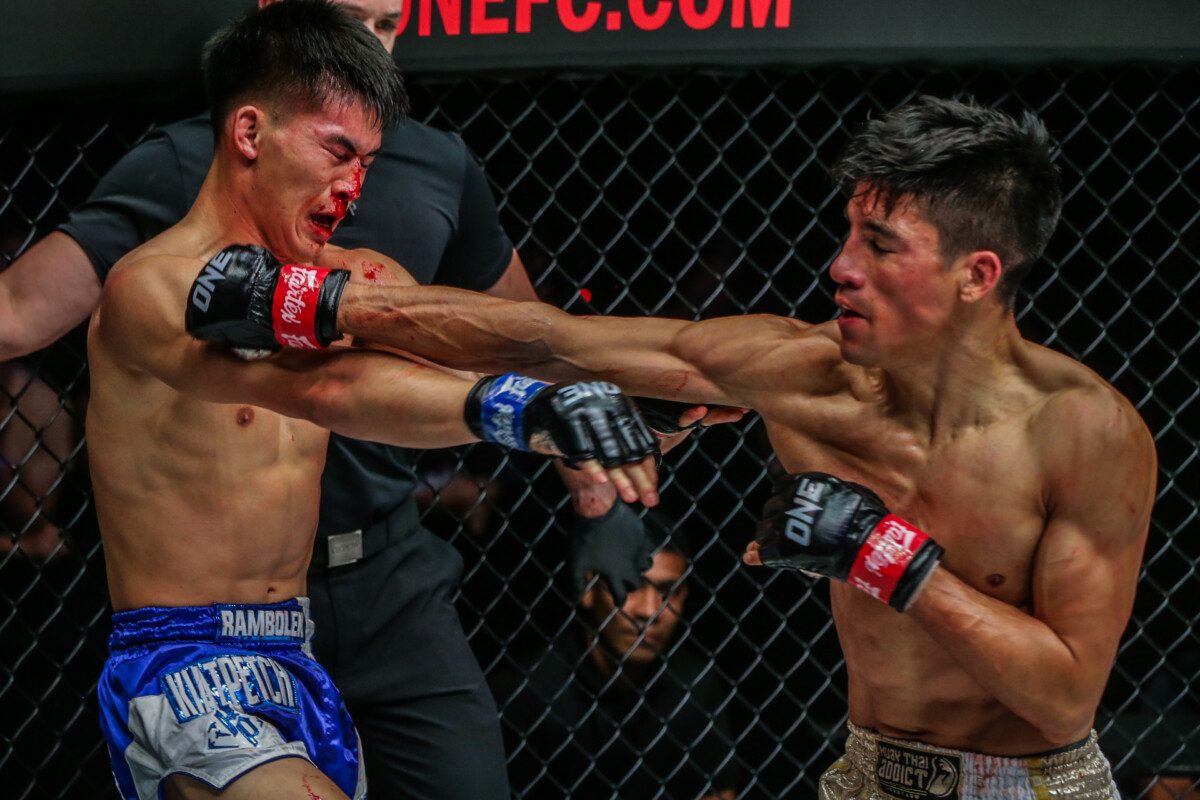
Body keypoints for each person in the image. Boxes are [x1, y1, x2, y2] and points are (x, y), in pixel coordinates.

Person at [201, 95, 1159, 799]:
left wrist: (888, 557)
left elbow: (1065, 699)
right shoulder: (806, 374)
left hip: (1035, 784)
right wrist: (326, 301)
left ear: (976, 275)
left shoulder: (1083, 432)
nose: (840, 267)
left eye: (880, 244)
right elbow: (547, 337)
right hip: (869, 770)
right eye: (847, 234)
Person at [0, 0, 687, 796]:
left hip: (346, 606)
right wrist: (530, 408)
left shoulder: (410, 197)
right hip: (194, 642)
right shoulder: (164, 237)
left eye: (388, 24)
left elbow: (516, 338)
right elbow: (330, 385)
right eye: (337, 153)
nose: (352, 188)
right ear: (252, 130)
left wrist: (624, 418)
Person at [491, 506, 739, 800]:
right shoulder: (528, 691)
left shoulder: (695, 684)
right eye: (629, 585)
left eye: (668, 591)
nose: (650, 610)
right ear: (588, 587)